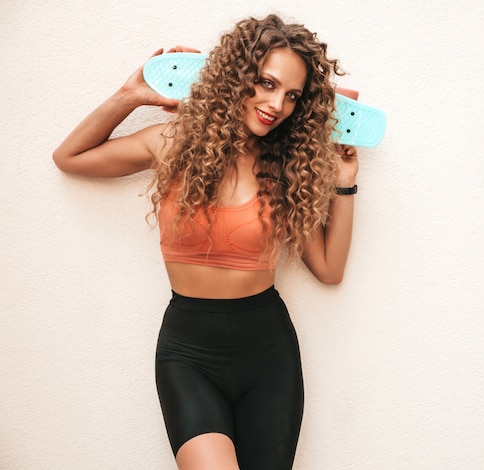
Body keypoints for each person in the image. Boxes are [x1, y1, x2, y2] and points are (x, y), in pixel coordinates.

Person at [53, 14, 359, 470]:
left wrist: (345, 184)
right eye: (266, 83)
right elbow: (70, 157)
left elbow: (330, 270)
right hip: (188, 352)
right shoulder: (174, 144)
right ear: (238, 75)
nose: (276, 104)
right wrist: (131, 95)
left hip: (269, 353)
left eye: (291, 95)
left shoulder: (287, 170)